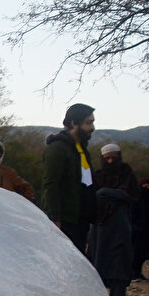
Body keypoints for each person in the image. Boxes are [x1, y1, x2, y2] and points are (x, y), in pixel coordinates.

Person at [88, 143, 139, 296]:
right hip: (99, 228)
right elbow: (91, 197)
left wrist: (104, 193)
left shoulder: (126, 174)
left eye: (113, 158)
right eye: (107, 158)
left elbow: (129, 195)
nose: (110, 161)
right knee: (97, 265)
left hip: (120, 228)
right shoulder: (97, 176)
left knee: (119, 267)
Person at [41, 103, 96, 253]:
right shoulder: (57, 148)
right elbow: (51, 184)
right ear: (73, 123)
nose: (92, 127)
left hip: (81, 219)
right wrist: (55, 218)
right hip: (66, 220)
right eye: (88, 123)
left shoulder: (81, 148)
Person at [131, 177, 149, 281]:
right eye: (145, 184)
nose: (147, 186)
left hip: (147, 229)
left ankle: (137, 272)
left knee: (144, 253)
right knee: (137, 252)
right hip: (138, 229)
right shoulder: (137, 196)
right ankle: (134, 272)